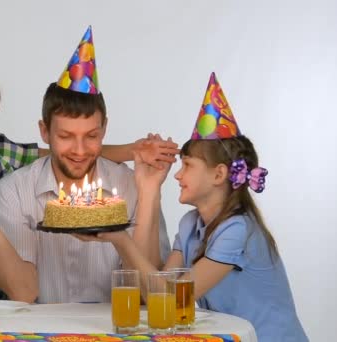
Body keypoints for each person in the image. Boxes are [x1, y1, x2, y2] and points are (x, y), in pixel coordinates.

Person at [0, 24, 177, 300]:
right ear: (45, 132)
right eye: (66, 136)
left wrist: (135, 155)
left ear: (104, 130)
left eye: (91, 135)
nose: (79, 150)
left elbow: (153, 298)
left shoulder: (2, 151)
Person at [87, 73, 308, 341]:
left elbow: (171, 298)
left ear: (218, 175)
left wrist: (121, 239)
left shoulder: (238, 229)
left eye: (188, 165)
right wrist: (149, 188)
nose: (178, 176)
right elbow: (153, 292)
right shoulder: (191, 224)